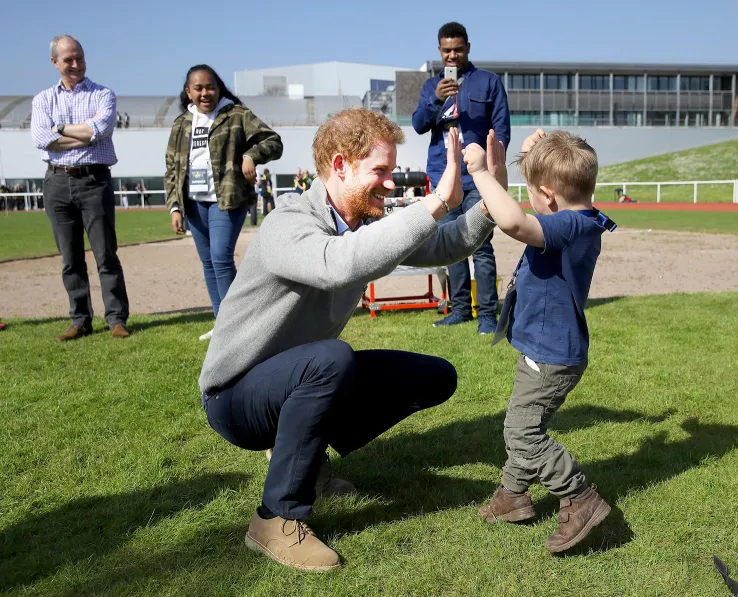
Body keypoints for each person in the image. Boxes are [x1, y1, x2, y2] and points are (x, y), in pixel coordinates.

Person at [197, 108, 501, 571]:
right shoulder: (289, 221)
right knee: (331, 361)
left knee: (434, 377)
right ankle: (274, 519)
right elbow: (339, 263)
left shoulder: (360, 222)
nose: (390, 182)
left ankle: (308, 460)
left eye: (391, 171)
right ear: (339, 166)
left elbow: (443, 245)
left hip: (290, 380)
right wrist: (436, 201)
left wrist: (489, 199)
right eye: (379, 170)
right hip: (234, 398)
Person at [462, 129, 616, 552]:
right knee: (524, 420)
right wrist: (533, 153)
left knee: (523, 432)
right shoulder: (576, 218)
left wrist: (479, 173)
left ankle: (579, 497)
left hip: (550, 356)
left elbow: (512, 220)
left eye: (531, 190)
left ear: (548, 196)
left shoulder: (567, 226)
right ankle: (511, 497)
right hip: (545, 350)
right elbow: (526, 204)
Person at [165, 64, 283, 342]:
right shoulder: (182, 123)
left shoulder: (237, 115)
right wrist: (174, 206)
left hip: (227, 199)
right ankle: (222, 323)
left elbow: (273, 141)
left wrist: (251, 155)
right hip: (193, 203)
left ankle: (236, 323)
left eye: (210, 87)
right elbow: (171, 166)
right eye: (199, 88)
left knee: (220, 258)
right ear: (188, 91)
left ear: (219, 88)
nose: (205, 93)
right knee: (208, 262)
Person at [413, 21, 511, 335]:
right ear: (439, 51)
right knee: (449, 245)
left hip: (477, 178)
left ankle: (486, 315)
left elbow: (502, 129)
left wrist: (494, 168)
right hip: (443, 176)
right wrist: (436, 99)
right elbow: (418, 124)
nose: (452, 56)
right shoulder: (431, 86)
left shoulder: (488, 82)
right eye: (446, 51)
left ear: (467, 47)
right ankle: (459, 311)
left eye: (457, 49)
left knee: (480, 246)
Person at [31, 34, 130, 342]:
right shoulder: (43, 99)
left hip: (93, 179)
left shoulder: (103, 95)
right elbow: (40, 139)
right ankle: (80, 319)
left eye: (80, 57)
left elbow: (100, 130)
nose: (75, 64)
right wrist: (83, 135)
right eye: (68, 59)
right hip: (57, 181)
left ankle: (116, 318)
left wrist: (58, 129)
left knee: (105, 253)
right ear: (54, 63)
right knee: (70, 257)